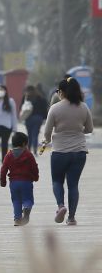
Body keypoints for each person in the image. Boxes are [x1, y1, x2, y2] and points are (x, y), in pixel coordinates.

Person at [43, 77, 94, 225]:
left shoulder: (55, 108)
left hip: (59, 151)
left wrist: (46, 141)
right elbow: (89, 129)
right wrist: (76, 130)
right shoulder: (84, 107)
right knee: (73, 185)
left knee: (57, 181)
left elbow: (47, 132)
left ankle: (60, 206)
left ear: (62, 92)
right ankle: (71, 218)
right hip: (79, 152)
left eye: (58, 91)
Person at [0, 132, 39, 226]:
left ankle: (17, 220)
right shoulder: (29, 155)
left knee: (16, 200)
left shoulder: (8, 155)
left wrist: (3, 181)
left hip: (14, 183)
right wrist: (35, 177)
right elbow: (34, 167)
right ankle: (27, 207)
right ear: (23, 144)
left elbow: (3, 169)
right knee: (28, 199)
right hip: (26, 182)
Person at [20, 85, 48, 155]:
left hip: (28, 118)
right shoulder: (40, 97)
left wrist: (22, 116)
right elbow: (45, 107)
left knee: (29, 135)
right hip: (38, 118)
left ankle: (29, 149)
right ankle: (35, 150)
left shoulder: (26, 97)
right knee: (35, 134)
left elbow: (21, 107)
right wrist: (44, 117)